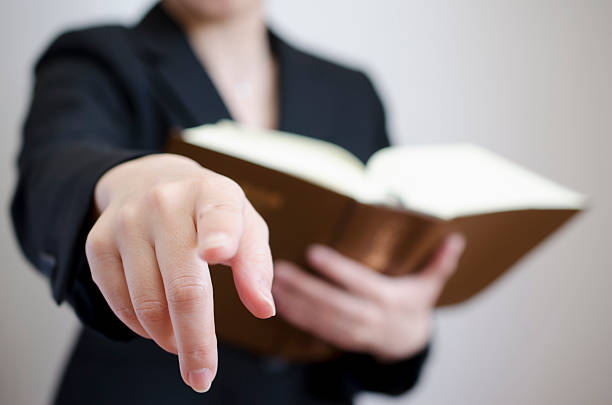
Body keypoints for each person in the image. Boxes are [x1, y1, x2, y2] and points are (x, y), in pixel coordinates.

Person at [11, 1, 466, 404]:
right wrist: (117, 184)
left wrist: (402, 334)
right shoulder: (96, 56)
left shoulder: (352, 92)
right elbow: (52, 170)